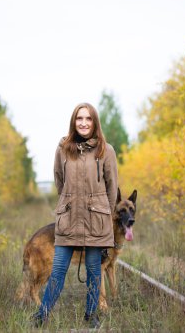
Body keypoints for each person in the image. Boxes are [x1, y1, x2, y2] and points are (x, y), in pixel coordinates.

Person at [32, 102, 118, 328]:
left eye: (88, 119)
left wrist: (103, 214)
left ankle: (91, 316)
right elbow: (59, 182)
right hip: (68, 220)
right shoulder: (63, 148)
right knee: (58, 270)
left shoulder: (106, 150)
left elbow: (112, 188)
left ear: (95, 122)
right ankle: (42, 315)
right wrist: (70, 203)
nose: (84, 123)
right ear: (74, 122)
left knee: (93, 271)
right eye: (80, 119)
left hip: (96, 221)